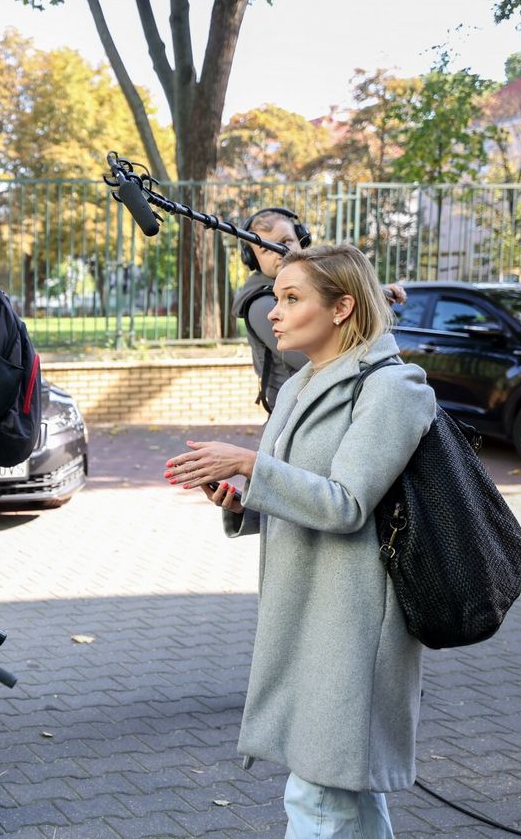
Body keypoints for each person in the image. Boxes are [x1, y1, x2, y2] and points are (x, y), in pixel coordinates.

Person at [166, 244, 434, 837]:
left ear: (342, 307)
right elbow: (300, 492)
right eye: (275, 297)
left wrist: (250, 464)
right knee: (347, 796)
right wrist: (242, 502)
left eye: (291, 298)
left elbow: (345, 503)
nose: (275, 312)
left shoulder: (393, 388)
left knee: (316, 796)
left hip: (356, 623)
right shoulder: (298, 385)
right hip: (308, 612)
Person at [234, 207, 406, 412]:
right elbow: (319, 362)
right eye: (265, 249)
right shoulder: (260, 304)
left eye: (286, 241)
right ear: (253, 260)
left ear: (301, 241)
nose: (278, 253)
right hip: (295, 414)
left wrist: (370, 294)